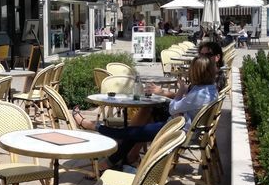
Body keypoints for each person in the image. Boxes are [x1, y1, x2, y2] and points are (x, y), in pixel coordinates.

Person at [73, 56, 219, 170]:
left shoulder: (199, 94)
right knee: (147, 113)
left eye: (191, 70)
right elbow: (181, 107)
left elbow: (174, 108)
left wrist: (181, 91)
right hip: (186, 125)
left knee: (130, 132)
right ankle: (127, 157)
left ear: (196, 72)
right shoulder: (210, 89)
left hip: (178, 131)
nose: (189, 72)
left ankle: (93, 126)